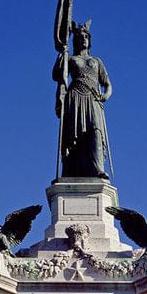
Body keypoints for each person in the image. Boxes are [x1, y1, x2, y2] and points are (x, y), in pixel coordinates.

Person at [52, 21, 112, 178]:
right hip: (75, 98)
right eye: (80, 37)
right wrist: (62, 54)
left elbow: (107, 84)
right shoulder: (71, 59)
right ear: (75, 41)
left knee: (95, 130)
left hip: (93, 98)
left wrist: (105, 95)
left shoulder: (96, 61)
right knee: (73, 132)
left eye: (86, 36)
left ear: (89, 40)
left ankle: (97, 168)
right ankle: (70, 169)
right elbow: (57, 74)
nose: (83, 39)